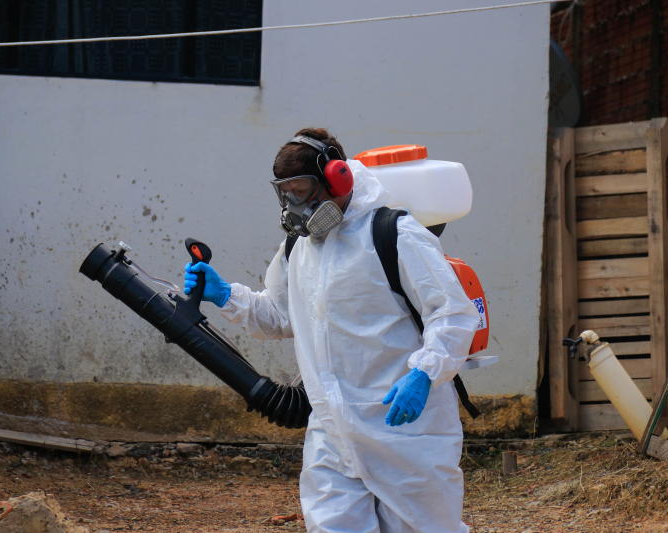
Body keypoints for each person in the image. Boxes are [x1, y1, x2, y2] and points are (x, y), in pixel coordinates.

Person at [184, 128, 481, 533]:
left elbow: (452, 313)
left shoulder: (394, 234)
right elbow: (281, 316)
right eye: (285, 192)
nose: (294, 204)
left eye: (303, 189)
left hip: (406, 432)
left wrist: (425, 373)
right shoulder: (298, 248)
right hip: (333, 434)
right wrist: (224, 296)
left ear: (338, 178)